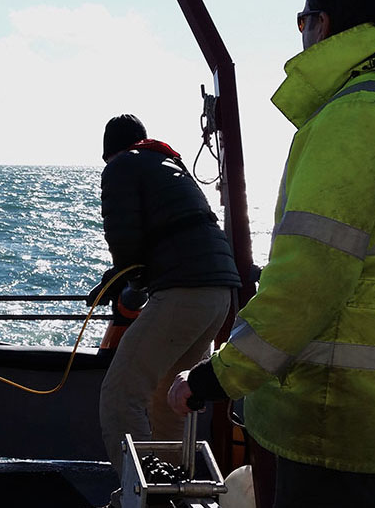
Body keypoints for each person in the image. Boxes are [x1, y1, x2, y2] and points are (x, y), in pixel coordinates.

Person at [167, 0, 375, 506]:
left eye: (302, 22)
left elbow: (307, 285)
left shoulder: (359, 115)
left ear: (321, 24)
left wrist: (216, 377)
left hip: (344, 427)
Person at [89, 114, 241, 507]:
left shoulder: (122, 165)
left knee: (121, 394)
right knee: (168, 397)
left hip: (184, 291)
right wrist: (132, 279)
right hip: (218, 294)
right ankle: (174, 495)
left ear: (110, 152)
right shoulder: (169, 166)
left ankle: (142, 497)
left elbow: (124, 239)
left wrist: (124, 280)